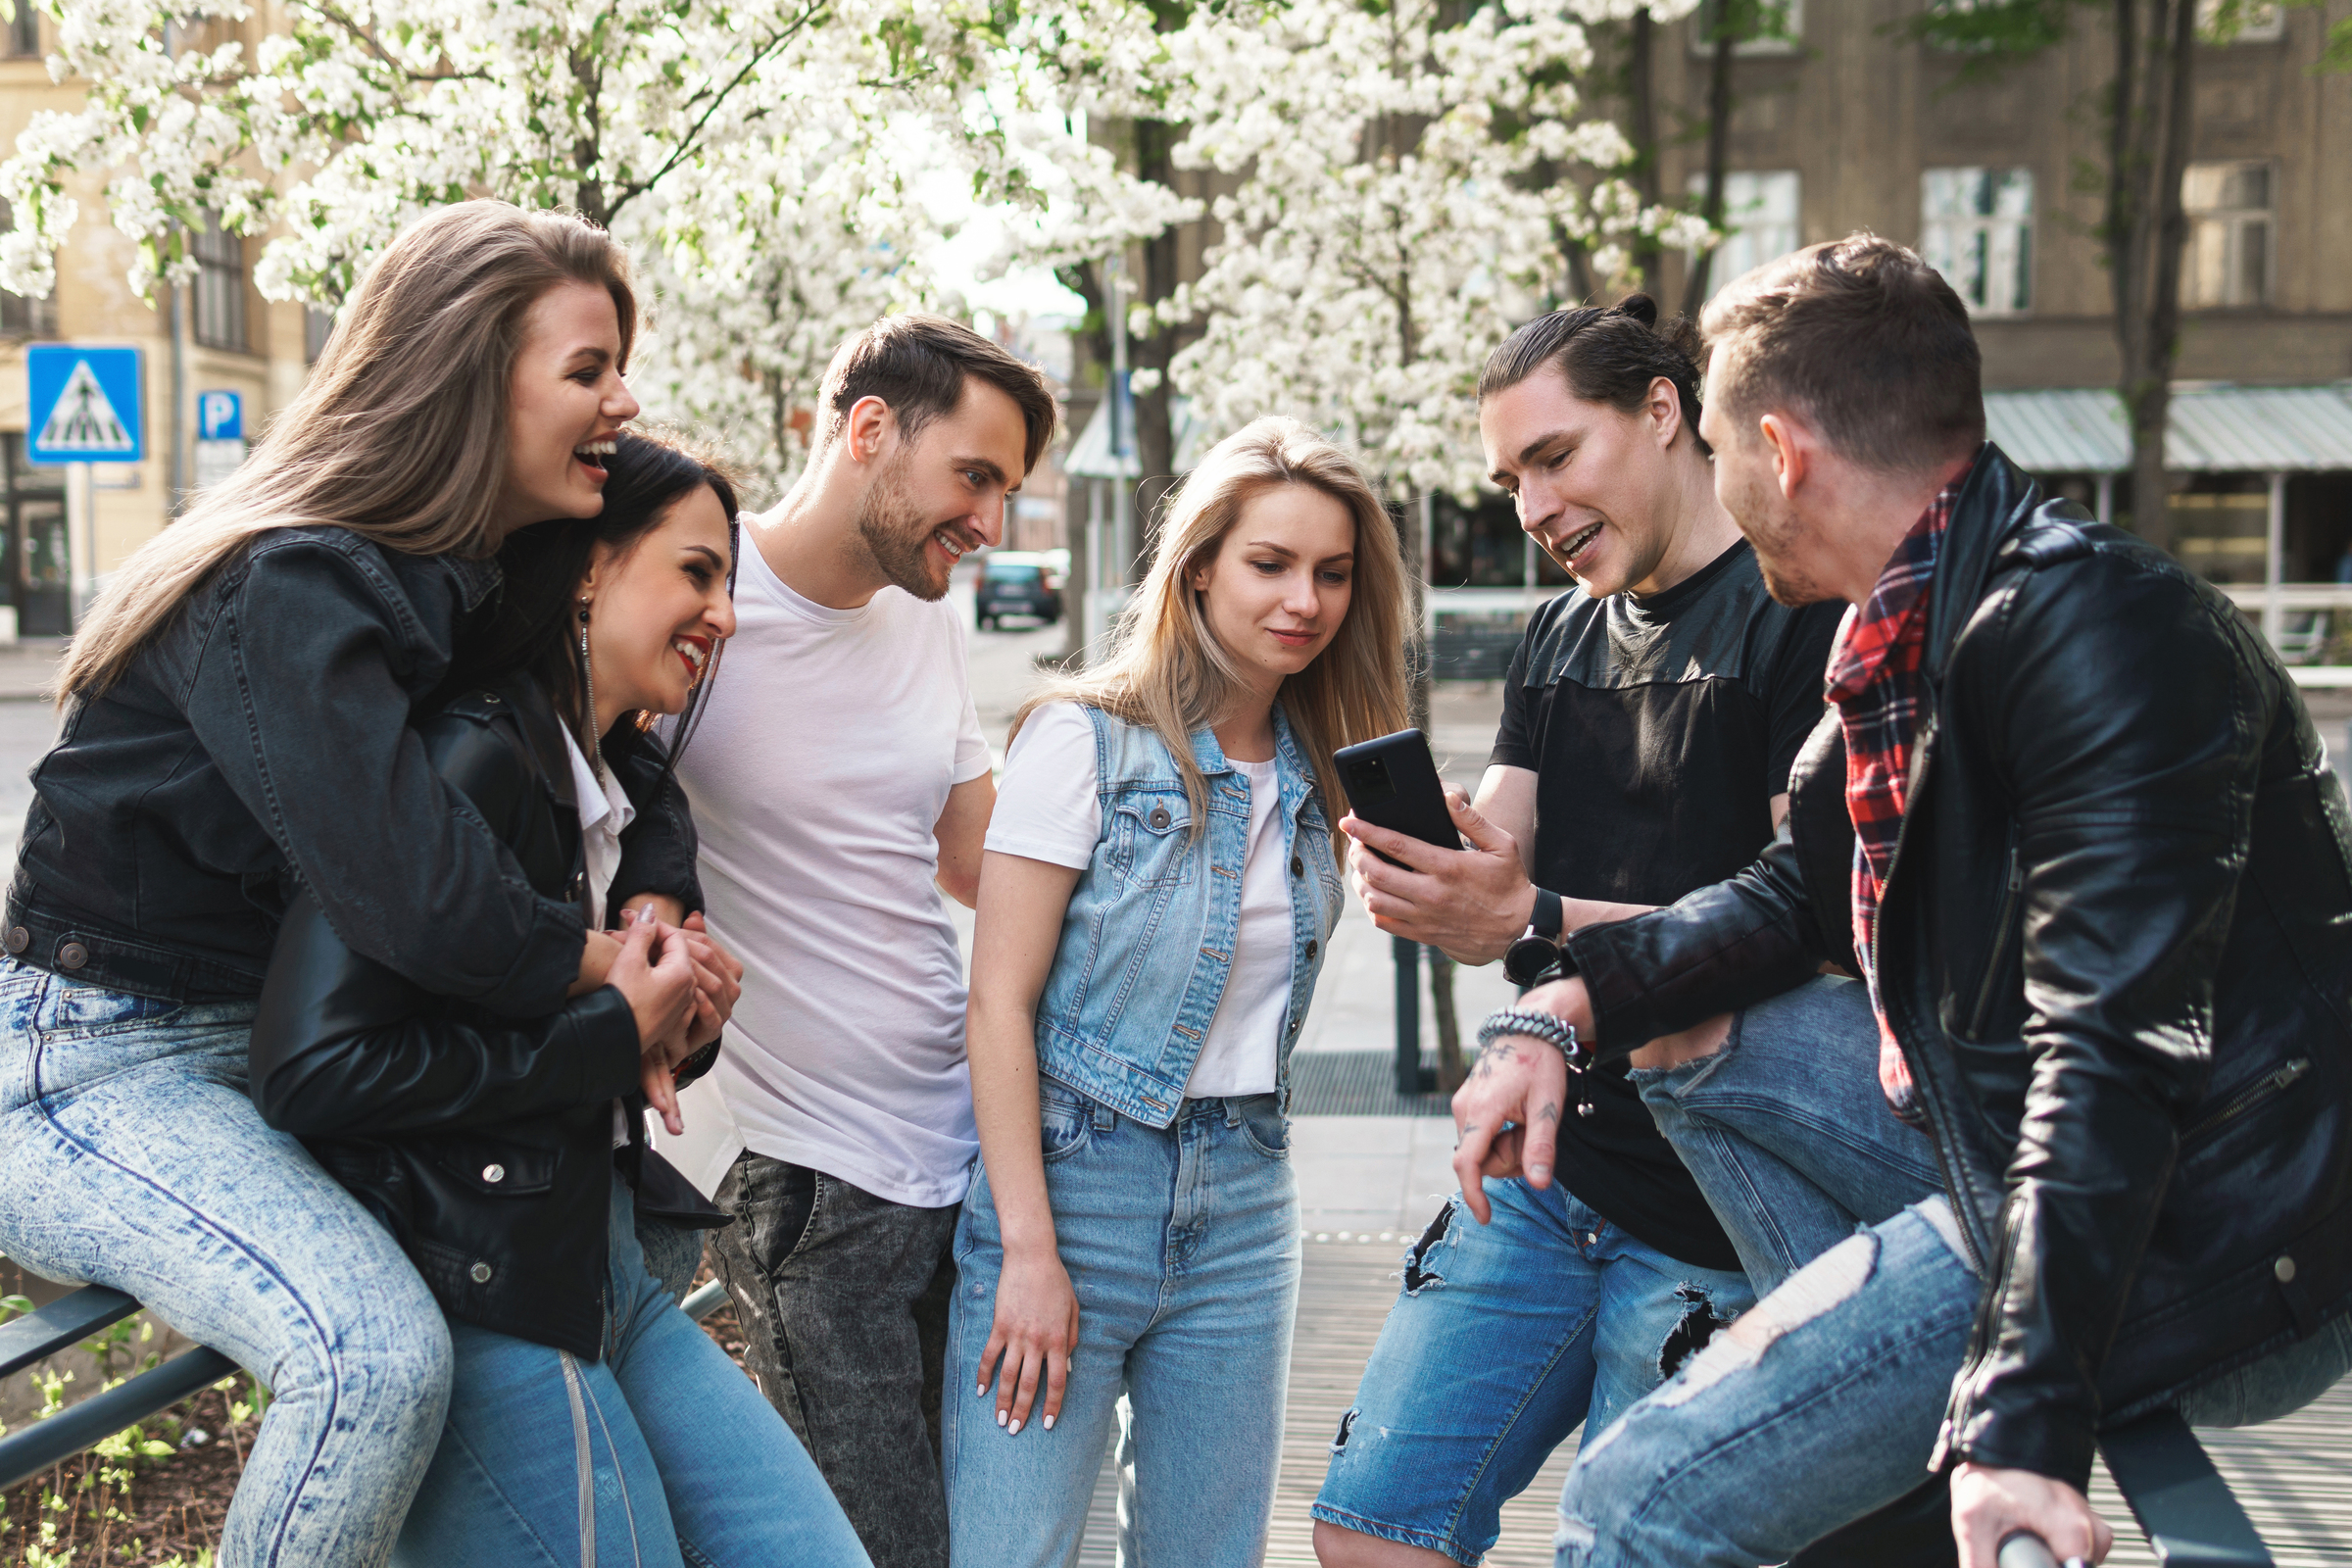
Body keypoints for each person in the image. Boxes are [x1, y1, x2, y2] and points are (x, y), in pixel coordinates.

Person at [1453, 235, 2352, 1568]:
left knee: (1635, 1494)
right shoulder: (1901, 649)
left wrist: (2024, 1426)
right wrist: (1566, 1003)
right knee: (1680, 1030)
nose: (1716, 480)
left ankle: (1891, 1453)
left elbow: (2114, 1053)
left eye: (1716, 443)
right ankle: (1871, 1490)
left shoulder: (2104, 632)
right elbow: (1787, 897)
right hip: (2000, 1146)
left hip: (2208, 1223)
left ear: (1780, 450)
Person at [0, 201, 709, 1567]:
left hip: (282, 1062)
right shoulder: (289, 583)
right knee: (370, 1361)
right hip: (96, 1073)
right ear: (460, 373)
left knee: (616, 1263)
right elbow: (420, 895)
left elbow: (614, 749)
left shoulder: (464, 580)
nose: (624, 398)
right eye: (586, 369)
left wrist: (651, 906)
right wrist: (599, 976)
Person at [1311, 297, 1874, 1568]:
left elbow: (1815, 933)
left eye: (1555, 457)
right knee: (1369, 1533)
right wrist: (1444, 877)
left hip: (1720, 1198)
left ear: (1666, 411)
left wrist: (1529, 913)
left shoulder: (1806, 618)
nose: (1531, 508)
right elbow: (1503, 874)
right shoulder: (1561, 630)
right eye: (1509, 479)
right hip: (1539, 1168)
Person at [247, 432, 866, 1568]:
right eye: (696, 572)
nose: (724, 614)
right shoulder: (471, 762)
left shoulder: (620, 790)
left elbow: (563, 1029)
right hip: (483, 1291)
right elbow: (310, 1067)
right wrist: (608, 1030)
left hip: (600, 1271)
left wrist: (682, 1024)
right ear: (589, 568)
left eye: (726, 581)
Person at [950, 416, 1410, 1566]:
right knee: (1016, 1551)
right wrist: (1028, 1250)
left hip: (1247, 1205)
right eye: (1271, 563)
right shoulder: (1083, 741)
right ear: (1199, 563)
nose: (1304, 598)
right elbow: (997, 1003)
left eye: (1333, 572)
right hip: (1073, 1185)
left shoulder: (1331, 776)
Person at [647, 313, 1057, 1568]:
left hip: (960, 1160)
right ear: (868, 430)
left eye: (1005, 490)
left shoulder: (921, 613)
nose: (987, 520)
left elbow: (968, 855)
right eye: (973, 475)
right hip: (811, 1185)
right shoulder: (704, 608)